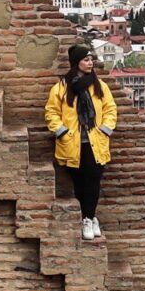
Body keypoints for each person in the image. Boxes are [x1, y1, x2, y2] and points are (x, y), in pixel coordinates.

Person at [44, 44, 117, 240]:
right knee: (79, 181)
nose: (90, 63)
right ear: (76, 63)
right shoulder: (61, 88)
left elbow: (110, 109)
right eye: (86, 60)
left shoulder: (99, 86)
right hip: (73, 143)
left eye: (91, 59)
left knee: (93, 179)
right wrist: (62, 132)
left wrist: (105, 130)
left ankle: (90, 218)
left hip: (96, 141)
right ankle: (87, 218)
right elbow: (52, 112)